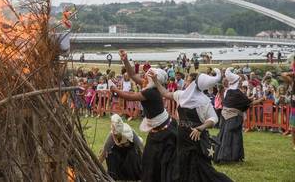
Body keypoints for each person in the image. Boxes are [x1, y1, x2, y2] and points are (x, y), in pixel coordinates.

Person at [150, 68, 232, 182]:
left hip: (196, 138)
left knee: (200, 167)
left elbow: (214, 118)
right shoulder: (180, 95)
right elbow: (164, 93)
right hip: (182, 137)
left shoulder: (204, 101)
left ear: (193, 83)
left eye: (188, 81)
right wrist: (155, 79)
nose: (185, 83)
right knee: (183, 163)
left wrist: (201, 127)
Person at [111, 50, 177, 182]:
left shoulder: (151, 92)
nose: (145, 76)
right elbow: (132, 74)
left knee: (159, 160)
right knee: (150, 159)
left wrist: (115, 90)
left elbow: (130, 96)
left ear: (153, 80)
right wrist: (125, 60)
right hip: (158, 129)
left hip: (164, 131)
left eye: (148, 75)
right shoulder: (147, 85)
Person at [214, 68, 265, 163]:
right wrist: (261, 100)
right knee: (233, 137)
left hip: (225, 116)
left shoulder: (228, 91)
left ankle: (221, 155)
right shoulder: (237, 92)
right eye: (240, 81)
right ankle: (228, 157)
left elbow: (239, 102)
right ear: (236, 82)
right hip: (233, 118)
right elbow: (248, 103)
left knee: (224, 135)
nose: (241, 83)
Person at [99, 114, 143, 181]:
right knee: (111, 155)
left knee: (133, 155)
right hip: (119, 157)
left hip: (130, 156)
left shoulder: (130, 132)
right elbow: (104, 152)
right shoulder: (111, 136)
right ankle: (114, 176)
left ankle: (133, 176)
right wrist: (97, 164)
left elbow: (140, 147)